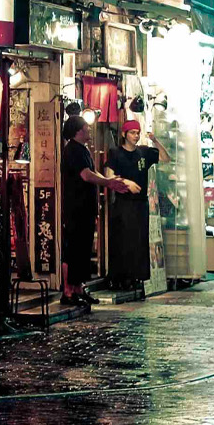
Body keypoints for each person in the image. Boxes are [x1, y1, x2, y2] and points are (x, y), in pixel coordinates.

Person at [61, 116, 130, 306]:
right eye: (86, 128)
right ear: (78, 131)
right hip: (76, 209)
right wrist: (108, 183)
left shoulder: (82, 150)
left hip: (85, 209)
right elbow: (86, 175)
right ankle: (68, 291)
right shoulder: (72, 150)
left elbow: (93, 172)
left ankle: (78, 288)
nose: (89, 131)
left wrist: (111, 183)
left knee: (82, 249)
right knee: (74, 249)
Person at [103, 120, 162, 292]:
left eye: (137, 132)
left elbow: (166, 158)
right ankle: (121, 277)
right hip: (123, 203)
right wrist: (126, 182)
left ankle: (137, 277)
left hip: (140, 204)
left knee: (139, 241)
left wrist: (155, 141)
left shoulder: (143, 152)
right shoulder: (115, 153)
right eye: (132, 133)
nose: (135, 136)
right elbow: (109, 176)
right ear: (124, 134)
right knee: (123, 241)